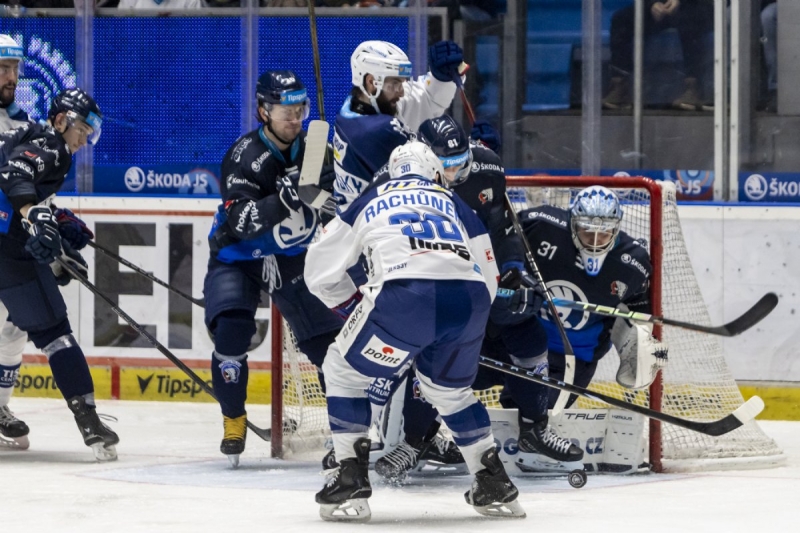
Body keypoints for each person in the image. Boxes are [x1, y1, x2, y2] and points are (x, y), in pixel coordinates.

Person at [306, 141, 524, 521]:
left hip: (403, 297)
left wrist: (353, 308)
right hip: (469, 301)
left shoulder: (371, 197)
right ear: (434, 173)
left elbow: (317, 269)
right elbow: (488, 277)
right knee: (450, 392)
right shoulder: (454, 201)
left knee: (341, 368)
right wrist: (453, 323)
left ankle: (350, 475)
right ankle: (492, 482)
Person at [203, 70, 341, 466]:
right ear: (263, 110)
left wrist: (330, 192)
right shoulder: (243, 155)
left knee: (329, 347)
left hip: (293, 257)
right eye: (286, 111)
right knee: (232, 331)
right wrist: (282, 200)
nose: (295, 119)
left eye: (300, 109)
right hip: (239, 256)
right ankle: (233, 419)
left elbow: (335, 207)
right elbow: (241, 221)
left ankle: (344, 431)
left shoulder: (316, 148)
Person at [0, 88, 118, 461]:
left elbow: (23, 182)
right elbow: (15, 172)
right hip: (8, 251)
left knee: (26, 332)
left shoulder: (42, 140)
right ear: (62, 120)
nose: (84, 140)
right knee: (55, 333)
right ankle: (90, 423)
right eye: (82, 130)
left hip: (9, 246)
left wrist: (55, 218)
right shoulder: (52, 145)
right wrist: (35, 216)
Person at [514, 186, 668, 431]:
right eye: (587, 232)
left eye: (603, 234)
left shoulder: (633, 263)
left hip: (576, 359)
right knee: (510, 413)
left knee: (540, 420)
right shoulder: (541, 225)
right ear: (573, 223)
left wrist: (642, 344)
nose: (595, 241)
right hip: (524, 342)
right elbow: (503, 253)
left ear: (616, 229)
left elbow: (636, 313)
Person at [332, 38, 465, 213]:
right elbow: (444, 166)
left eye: (401, 83)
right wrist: (473, 151)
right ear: (371, 82)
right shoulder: (377, 131)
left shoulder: (356, 106)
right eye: (395, 84)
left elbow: (422, 98)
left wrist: (441, 78)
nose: (401, 91)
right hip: (378, 232)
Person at [603, 0, 715, 111]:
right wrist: (652, 3)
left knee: (689, 19)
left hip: (701, 5)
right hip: (665, 6)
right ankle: (620, 86)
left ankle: (693, 88)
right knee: (621, 19)